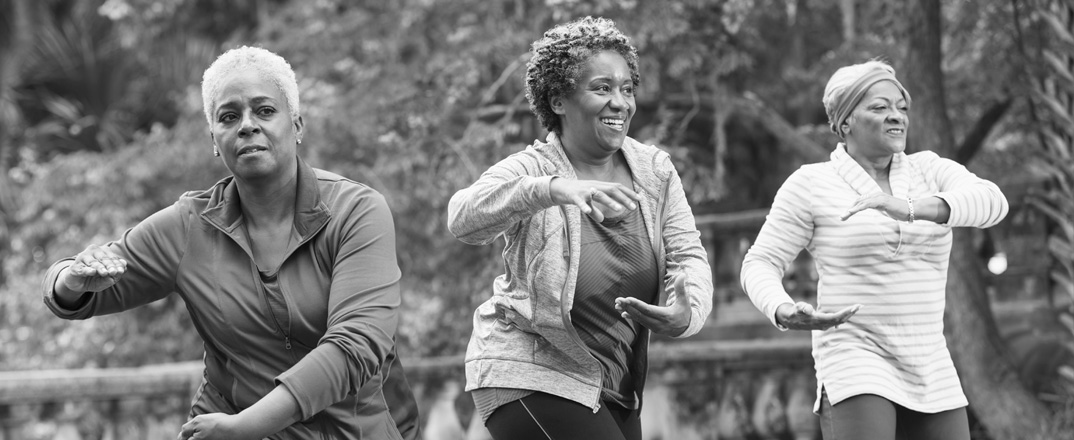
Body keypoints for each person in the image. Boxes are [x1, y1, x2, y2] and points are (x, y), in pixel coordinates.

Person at [40, 46, 420, 440]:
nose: (247, 125)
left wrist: (246, 427)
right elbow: (70, 288)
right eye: (229, 117)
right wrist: (71, 280)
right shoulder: (190, 226)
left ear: (298, 125)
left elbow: (355, 345)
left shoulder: (355, 211)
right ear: (214, 139)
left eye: (265, 110)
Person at [447, 17, 713, 440]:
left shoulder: (655, 172)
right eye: (602, 88)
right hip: (530, 374)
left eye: (627, 89)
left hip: (613, 386)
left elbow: (688, 256)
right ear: (558, 101)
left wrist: (687, 313)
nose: (620, 103)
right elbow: (463, 218)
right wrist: (553, 189)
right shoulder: (534, 169)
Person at [740, 60, 1009, 440]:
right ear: (846, 121)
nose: (896, 116)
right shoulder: (811, 184)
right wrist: (783, 309)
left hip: (930, 362)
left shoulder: (929, 171)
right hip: (855, 358)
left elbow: (993, 203)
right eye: (880, 107)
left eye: (901, 107)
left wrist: (911, 207)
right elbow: (760, 262)